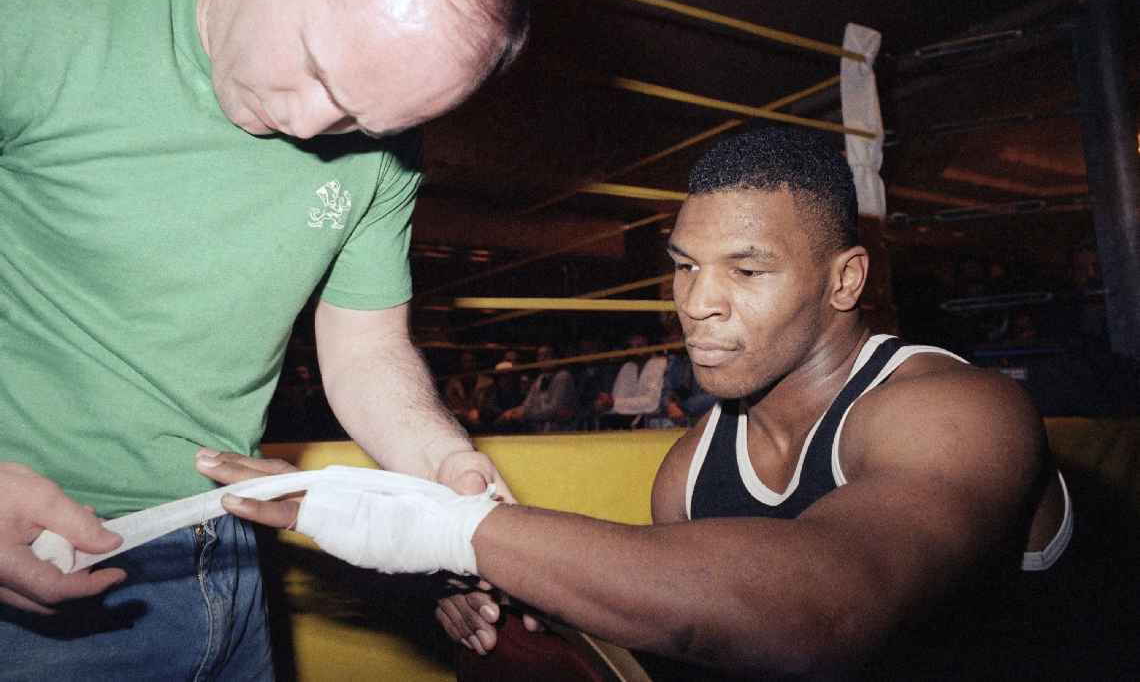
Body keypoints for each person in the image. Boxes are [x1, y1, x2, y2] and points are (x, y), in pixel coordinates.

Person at [202, 126, 1071, 679]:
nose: (698, 303)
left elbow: (826, 615)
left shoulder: (957, 410)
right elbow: (694, 634)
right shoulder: (692, 468)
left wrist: (442, 527)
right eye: (686, 266)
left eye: (747, 269)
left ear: (846, 280)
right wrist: (501, 598)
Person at [1, 0, 529, 676]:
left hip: (232, 559)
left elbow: (367, 349)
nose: (312, 126)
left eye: (364, 122)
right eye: (317, 66)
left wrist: (447, 468)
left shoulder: (381, 144)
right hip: (34, 569)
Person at [497, 344, 578, 432]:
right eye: (540, 356)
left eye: (547, 355)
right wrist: (511, 412)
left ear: (556, 357)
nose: (543, 359)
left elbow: (554, 410)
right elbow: (527, 405)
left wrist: (525, 414)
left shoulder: (563, 376)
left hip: (560, 431)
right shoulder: (540, 378)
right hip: (541, 430)